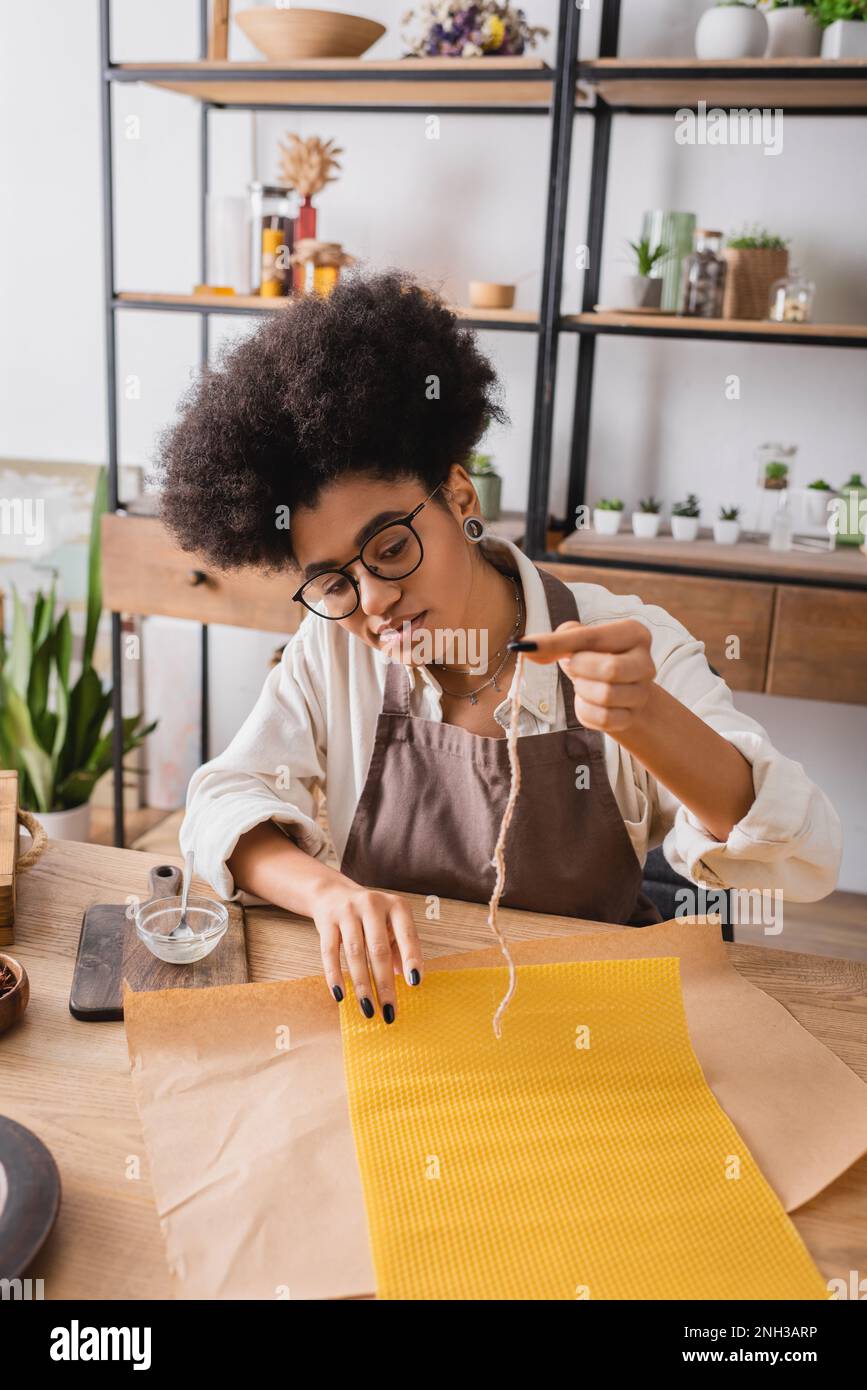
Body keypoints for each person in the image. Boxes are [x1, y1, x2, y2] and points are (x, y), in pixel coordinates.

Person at [158, 268, 842, 1024]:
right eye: (334, 582)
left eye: (389, 548)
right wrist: (326, 892)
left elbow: (803, 862)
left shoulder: (623, 639)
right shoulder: (334, 650)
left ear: (459, 498)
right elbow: (222, 803)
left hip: (591, 1022)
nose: (374, 600)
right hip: (401, 1008)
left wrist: (643, 716)